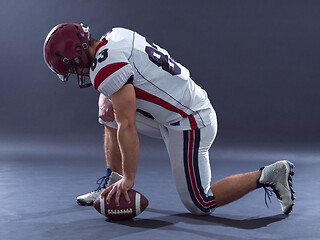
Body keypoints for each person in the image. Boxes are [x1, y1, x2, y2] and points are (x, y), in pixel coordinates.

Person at [43, 22, 295, 215]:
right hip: (175, 110)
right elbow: (119, 75)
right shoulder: (115, 34)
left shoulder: (107, 70)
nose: (78, 73)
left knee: (200, 203)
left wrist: (132, 179)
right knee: (109, 112)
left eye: (73, 68)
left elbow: (128, 125)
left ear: (77, 52)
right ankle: (113, 181)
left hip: (190, 121)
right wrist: (105, 94)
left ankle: (269, 175)